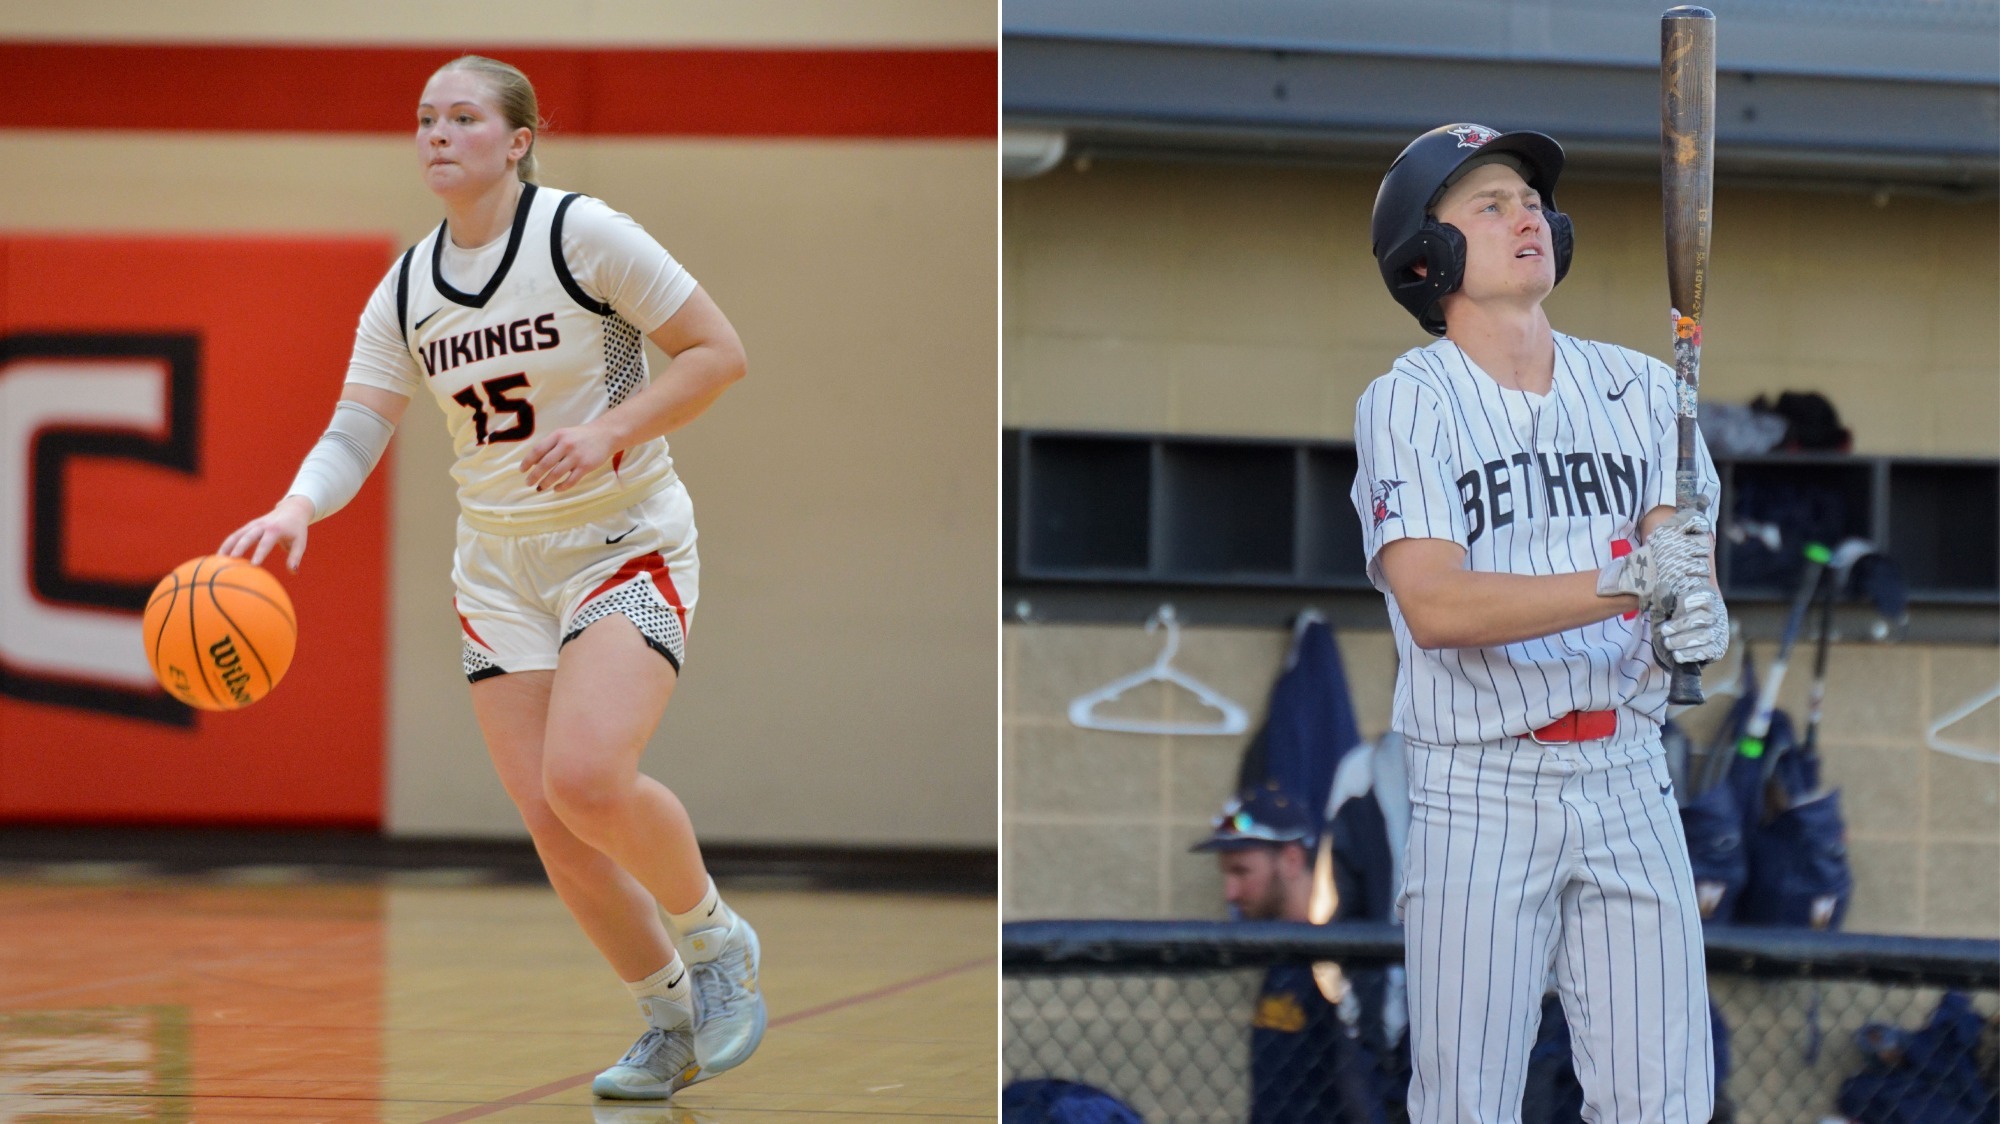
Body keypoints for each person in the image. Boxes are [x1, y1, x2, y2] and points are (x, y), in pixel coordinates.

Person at [220, 55, 760, 1100]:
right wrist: (295, 502)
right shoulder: (409, 285)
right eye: (424, 119)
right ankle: (665, 1016)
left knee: (589, 773)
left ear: (516, 140)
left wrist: (608, 429)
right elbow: (359, 422)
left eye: (462, 117)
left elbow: (714, 351)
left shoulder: (581, 234)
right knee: (552, 817)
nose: (436, 134)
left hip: (622, 534)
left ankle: (717, 938)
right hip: (500, 568)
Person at [1350, 123, 1732, 1124]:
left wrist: (1692, 611)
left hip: (1626, 774)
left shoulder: (1644, 388)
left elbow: (1674, 554)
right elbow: (1435, 605)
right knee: (1466, 1100)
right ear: (1425, 258)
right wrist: (1625, 581)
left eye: (1528, 200)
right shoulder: (1407, 403)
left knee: (1663, 1102)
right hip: (1478, 784)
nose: (1524, 215)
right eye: (1487, 203)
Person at [1194, 781, 1394, 1124]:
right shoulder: (1280, 954)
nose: (1230, 892)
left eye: (1241, 872)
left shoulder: (1336, 964)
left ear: (1291, 859)